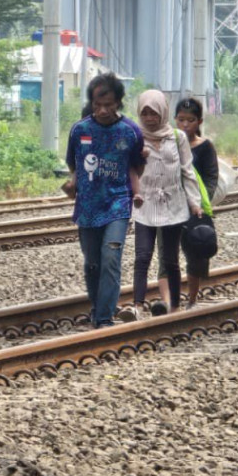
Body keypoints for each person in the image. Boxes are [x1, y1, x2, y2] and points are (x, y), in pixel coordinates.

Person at [63, 73, 145, 328]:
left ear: (118, 102)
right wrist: (73, 183)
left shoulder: (130, 131)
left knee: (111, 257)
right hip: (87, 207)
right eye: (98, 105)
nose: (103, 111)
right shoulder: (80, 130)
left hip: (117, 205)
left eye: (108, 105)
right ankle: (97, 308)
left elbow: (136, 165)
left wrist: (135, 191)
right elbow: (72, 163)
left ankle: (104, 318)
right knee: (92, 264)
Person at [121, 89, 201, 320]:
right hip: (144, 205)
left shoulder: (177, 138)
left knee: (170, 259)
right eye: (144, 113)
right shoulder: (134, 138)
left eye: (153, 113)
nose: (149, 118)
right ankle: (137, 306)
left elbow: (187, 172)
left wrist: (194, 203)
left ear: (163, 113)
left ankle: (174, 306)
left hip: (173, 206)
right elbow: (129, 171)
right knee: (142, 256)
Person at [158, 97, 219, 310]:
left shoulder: (205, 147)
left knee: (195, 255)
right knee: (167, 256)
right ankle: (168, 304)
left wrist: (201, 202)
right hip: (168, 208)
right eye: (181, 119)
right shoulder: (166, 143)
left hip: (196, 211)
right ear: (174, 119)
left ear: (199, 121)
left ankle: (192, 300)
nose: (185, 125)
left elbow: (211, 179)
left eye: (190, 120)